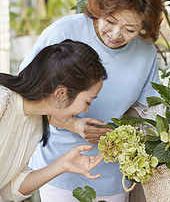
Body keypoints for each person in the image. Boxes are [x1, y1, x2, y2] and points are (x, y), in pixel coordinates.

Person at [19, 0, 164, 202]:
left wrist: (126, 131)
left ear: (144, 26)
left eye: (130, 29)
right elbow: (25, 97)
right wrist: (74, 125)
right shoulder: (63, 32)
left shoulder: (145, 52)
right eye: (110, 20)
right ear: (100, 8)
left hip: (115, 174)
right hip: (59, 167)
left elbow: (149, 110)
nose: (116, 34)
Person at [0, 39, 107, 202]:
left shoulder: (35, 121)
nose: (85, 111)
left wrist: (62, 164)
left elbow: (10, 188)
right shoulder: (3, 99)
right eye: (88, 102)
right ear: (61, 93)